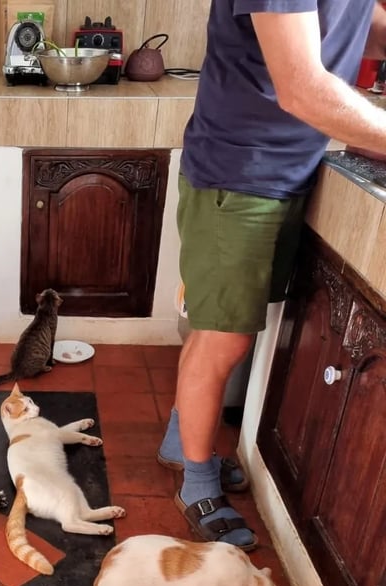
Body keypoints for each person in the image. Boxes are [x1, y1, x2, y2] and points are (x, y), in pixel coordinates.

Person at [158, 0, 386, 550]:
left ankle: (179, 444)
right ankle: (196, 483)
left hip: (280, 170)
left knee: (220, 331)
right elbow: (302, 88)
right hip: (240, 174)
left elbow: (365, 25)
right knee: (223, 337)